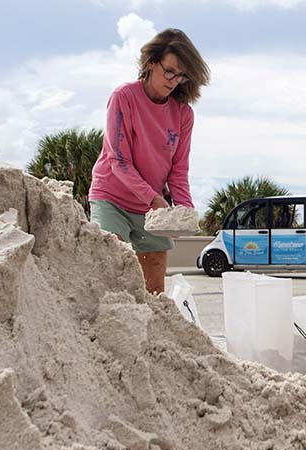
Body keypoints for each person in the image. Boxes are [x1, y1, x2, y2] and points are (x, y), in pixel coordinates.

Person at [89, 28, 210, 294]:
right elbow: (118, 160)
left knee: (155, 292)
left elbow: (178, 170)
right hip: (112, 197)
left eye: (181, 75)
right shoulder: (123, 97)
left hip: (153, 209)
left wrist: (184, 210)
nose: (174, 80)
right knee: (108, 275)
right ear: (151, 63)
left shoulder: (183, 114)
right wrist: (155, 199)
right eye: (169, 71)